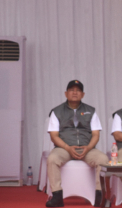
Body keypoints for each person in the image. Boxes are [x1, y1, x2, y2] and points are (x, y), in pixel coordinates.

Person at [45, 80, 108, 208]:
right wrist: (67, 148)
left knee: (103, 159)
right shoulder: (56, 111)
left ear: (83, 94)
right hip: (64, 148)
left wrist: (88, 147)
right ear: (66, 93)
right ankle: (57, 196)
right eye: (72, 90)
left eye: (78, 90)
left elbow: (96, 134)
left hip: (87, 148)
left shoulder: (91, 111)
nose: (75, 92)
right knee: (52, 159)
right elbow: (54, 136)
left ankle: (98, 195)